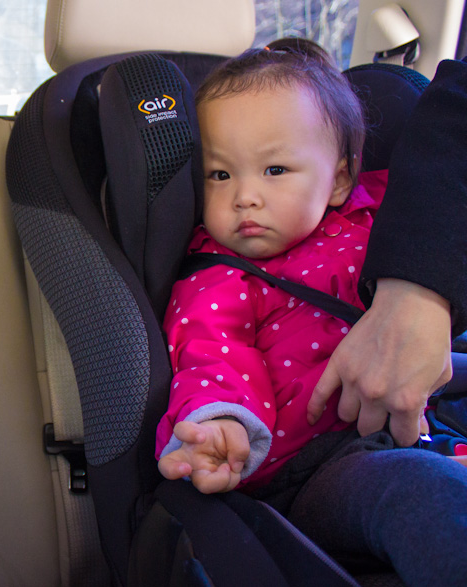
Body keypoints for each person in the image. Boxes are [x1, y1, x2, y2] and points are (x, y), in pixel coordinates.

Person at [155, 38, 467, 585]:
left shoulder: (384, 223)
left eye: (275, 169)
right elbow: (210, 353)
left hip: (418, 412)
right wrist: (222, 423)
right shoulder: (219, 274)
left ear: (340, 179)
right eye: (220, 174)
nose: (245, 196)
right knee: (421, 497)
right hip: (319, 468)